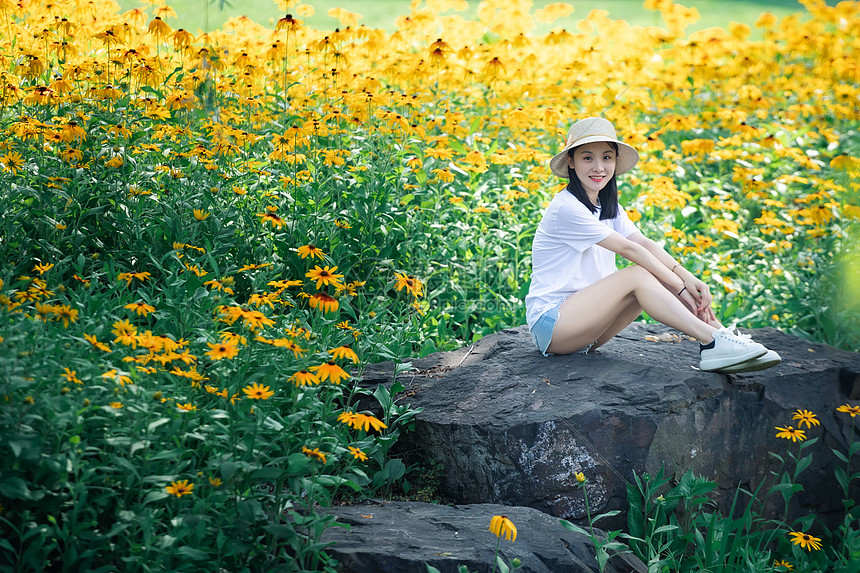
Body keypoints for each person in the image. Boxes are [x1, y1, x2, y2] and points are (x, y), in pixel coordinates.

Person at [525, 116, 780, 373]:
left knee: (651, 276)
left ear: (615, 161)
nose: (599, 167)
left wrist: (687, 277)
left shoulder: (606, 207)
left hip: (587, 330)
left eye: (607, 157)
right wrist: (680, 288)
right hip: (553, 325)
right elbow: (630, 250)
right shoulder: (566, 208)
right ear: (570, 161)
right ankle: (711, 341)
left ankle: (721, 334)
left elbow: (643, 242)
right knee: (639, 274)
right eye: (587, 157)